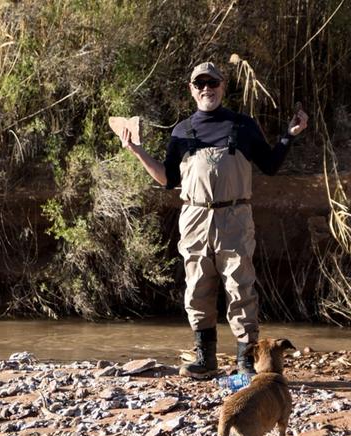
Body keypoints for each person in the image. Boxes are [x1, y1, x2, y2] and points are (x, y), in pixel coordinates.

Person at [120, 61, 308, 379]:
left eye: (213, 83)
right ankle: (205, 359)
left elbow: (271, 165)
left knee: (240, 286)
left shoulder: (243, 125)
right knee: (197, 287)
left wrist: (290, 136)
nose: (207, 88)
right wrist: (137, 151)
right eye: (200, 84)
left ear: (223, 87)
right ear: (191, 90)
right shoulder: (181, 131)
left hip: (234, 216)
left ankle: (246, 361)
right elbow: (167, 179)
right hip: (193, 216)